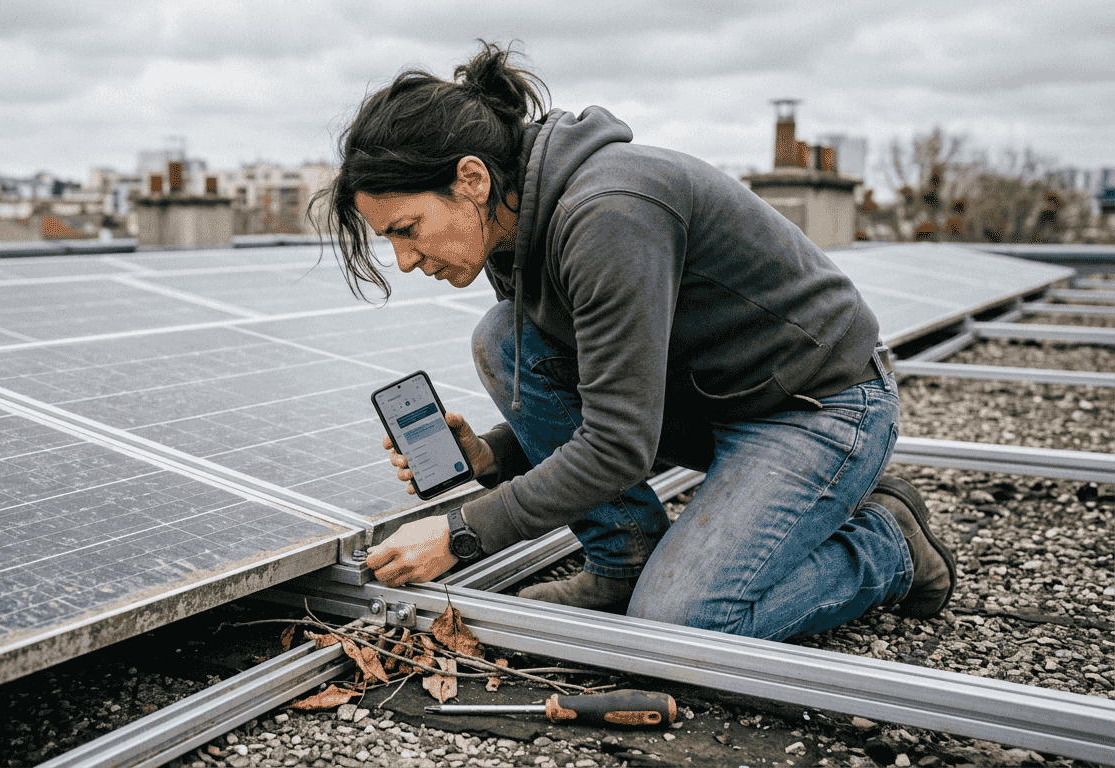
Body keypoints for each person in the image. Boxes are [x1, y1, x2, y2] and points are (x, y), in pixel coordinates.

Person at [314, 41, 956, 640]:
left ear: (473, 179)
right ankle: (622, 560)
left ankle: (888, 543)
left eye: (407, 228)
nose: (403, 259)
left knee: (682, 623)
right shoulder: (513, 231)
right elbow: (606, 393)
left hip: (814, 406)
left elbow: (617, 445)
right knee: (503, 342)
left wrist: (460, 533)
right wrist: (492, 455)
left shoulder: (608, 215)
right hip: (709, 399)